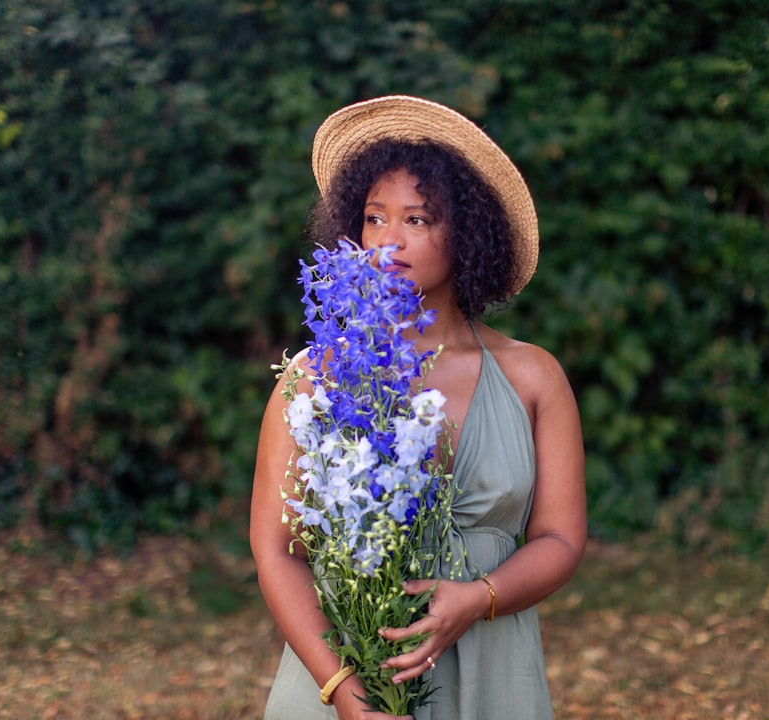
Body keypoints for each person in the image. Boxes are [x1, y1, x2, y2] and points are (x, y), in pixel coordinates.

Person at [250, 95, 586, 720]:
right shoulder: (314, 378)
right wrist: (346, 694)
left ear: (470, 230)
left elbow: (562, 538)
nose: (390, 241)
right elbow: (275, 551)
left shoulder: (533, 377)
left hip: (493, 673)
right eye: (375, 218)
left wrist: (477, 598)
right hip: (348, 675)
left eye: (420, 220)